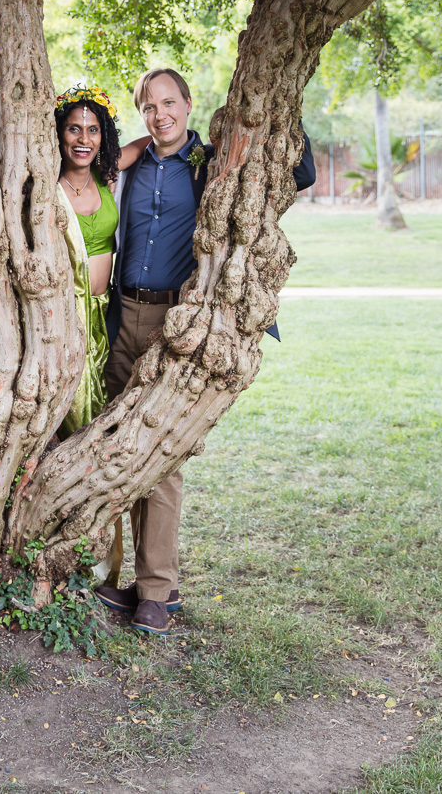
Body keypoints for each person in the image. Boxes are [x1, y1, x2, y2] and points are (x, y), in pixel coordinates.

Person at [96, 67, 316, 637]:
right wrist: (128, 148)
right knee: (111, 445)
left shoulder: (218, 164)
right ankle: (105, 575)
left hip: (180, 321)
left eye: (169, 103)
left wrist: (282, 111)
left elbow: (301, 172)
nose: (160, 114)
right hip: (124, 315)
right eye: (149, 105)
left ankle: (155, 589)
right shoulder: (131, 165)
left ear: (189, 105)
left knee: (162, 456)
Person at [53, 86, 149, 439]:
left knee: (107, 397)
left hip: (107, 310)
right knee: (72, 404)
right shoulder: (48, 188)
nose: (84, 139)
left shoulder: (105, 176)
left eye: (93, 129)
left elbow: (144, 144)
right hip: (65, 312)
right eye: (74, 128)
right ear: (59, 132)